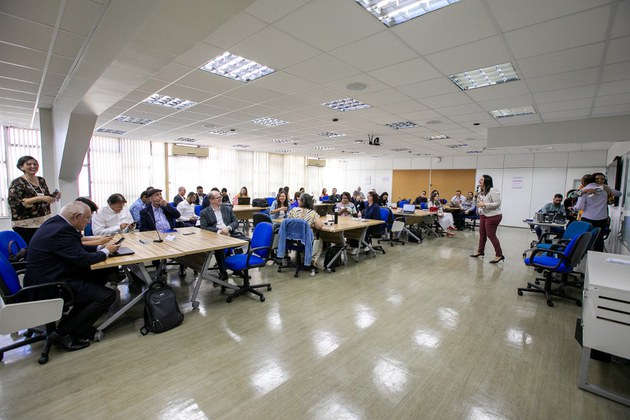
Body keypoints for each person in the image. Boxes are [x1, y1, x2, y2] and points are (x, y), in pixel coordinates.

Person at [23, 201, 121, 351]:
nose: (88, 222)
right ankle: (62, 333)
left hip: (46, 276)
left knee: (99, 276)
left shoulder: (55, 223)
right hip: (50, 283)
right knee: (106, 295)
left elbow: (76, 248)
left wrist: (101, 247)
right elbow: (82, 259)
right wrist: (106, 251)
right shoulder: (62, 231)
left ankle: (78, 326)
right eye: (87, 218)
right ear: (76, 216)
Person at [8, 155, 60, 244]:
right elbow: (16, 202)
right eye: (29, 164)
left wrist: (53, 196)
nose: (33, 166)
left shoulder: (41, 180)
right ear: (21, 167)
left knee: (44, 245)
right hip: (25, 224)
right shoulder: (17, 182)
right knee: (31, 247)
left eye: (35, 164)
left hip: (43, 221)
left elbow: (45, 196)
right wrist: (41, 198)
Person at [200, 190, 242, 280]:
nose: (220, 198)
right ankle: (223, 272)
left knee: (242, 242)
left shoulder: (227, 209)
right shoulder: (204, 212)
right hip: (216, 236)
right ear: (211, 200)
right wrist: (219, 231)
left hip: (230, 232)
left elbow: (235, 222)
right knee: (219, 249)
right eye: (218, 197)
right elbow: (203, 227)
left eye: (220, 197)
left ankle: (238, 269)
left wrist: (228, 228)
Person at [470, 175, 504, 263]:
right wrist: (475, 197)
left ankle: (499, 255)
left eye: (481, 179)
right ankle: (480, 251)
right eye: (479, 179)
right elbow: (478, 204)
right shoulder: (481, 192)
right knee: (482, 234)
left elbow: (498, 203)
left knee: (491, 235)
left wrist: (485, 205)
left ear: (487, 181)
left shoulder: (493, 190)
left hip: (493, 216)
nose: (479, 181)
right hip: (483, 215)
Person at [573, 174, 611, 252]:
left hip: (588, 218)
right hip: (601, 218)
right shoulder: (604, 190)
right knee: (599, 238)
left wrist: (573, 208)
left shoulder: (583, 191)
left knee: (585, 237)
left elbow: (579, 206)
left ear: (583, 182)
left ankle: (584, 253)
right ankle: (597, 255)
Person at [287, 193, 323, 269]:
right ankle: (313, 260)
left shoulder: (293, 210)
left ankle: (304, 257)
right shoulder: (312, 213)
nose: (298, 200)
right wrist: (311, 224)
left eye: (299, 199)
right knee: (320, 241)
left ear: (302, 201)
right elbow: (319, 226)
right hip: (305, 241)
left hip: (291, 239)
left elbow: (288, 223)